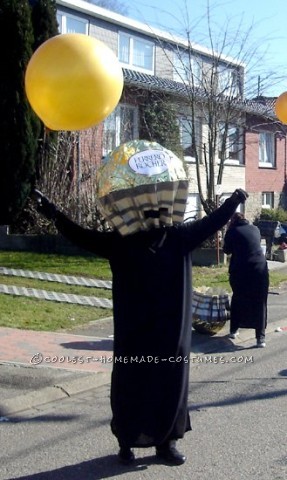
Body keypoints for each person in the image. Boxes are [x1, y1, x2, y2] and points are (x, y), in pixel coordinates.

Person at [34, 139, 248, 466]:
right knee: (131, 386)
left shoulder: (178, 238)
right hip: (135, 333)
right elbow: (80, 235)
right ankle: (127, 442)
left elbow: (211, 223)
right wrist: (51, 211)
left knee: (170, 386)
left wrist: (233, 202)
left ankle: (167, 444)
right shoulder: (122, 243)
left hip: (170, 335)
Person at [223, 212, 269, 348]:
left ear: (232, 221)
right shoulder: (255, 228)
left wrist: (227, 233)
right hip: (260, 269)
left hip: (242, 270)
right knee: (260, 301)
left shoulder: (232, 231)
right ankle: (260, 339)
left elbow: (226, 250)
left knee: (238, 298)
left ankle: (234, 330)